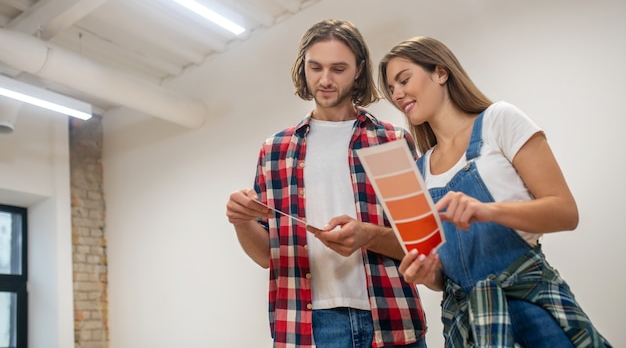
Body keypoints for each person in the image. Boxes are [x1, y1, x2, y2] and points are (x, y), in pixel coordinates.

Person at [378, 36, 612, 347]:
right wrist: (426, 274)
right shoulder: (414, 173)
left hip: (535, 311)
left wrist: (488, 211)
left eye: (403, 80)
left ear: (440, 72)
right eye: (391, 89)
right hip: (471, 328)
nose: (397, 94)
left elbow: (565, 213)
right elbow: (440, 277)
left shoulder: (499, 120)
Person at [226, 19, 428, 348]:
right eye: (315, 67)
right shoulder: (276, 151)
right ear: (303, 67)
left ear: (359, 70)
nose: (325, 80)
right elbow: (266, 256)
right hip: (309, 327)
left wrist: (367, 235)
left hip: (391, 317)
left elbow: (420, 244)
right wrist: (241, 220)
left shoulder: (389, 141)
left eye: (338, 69)